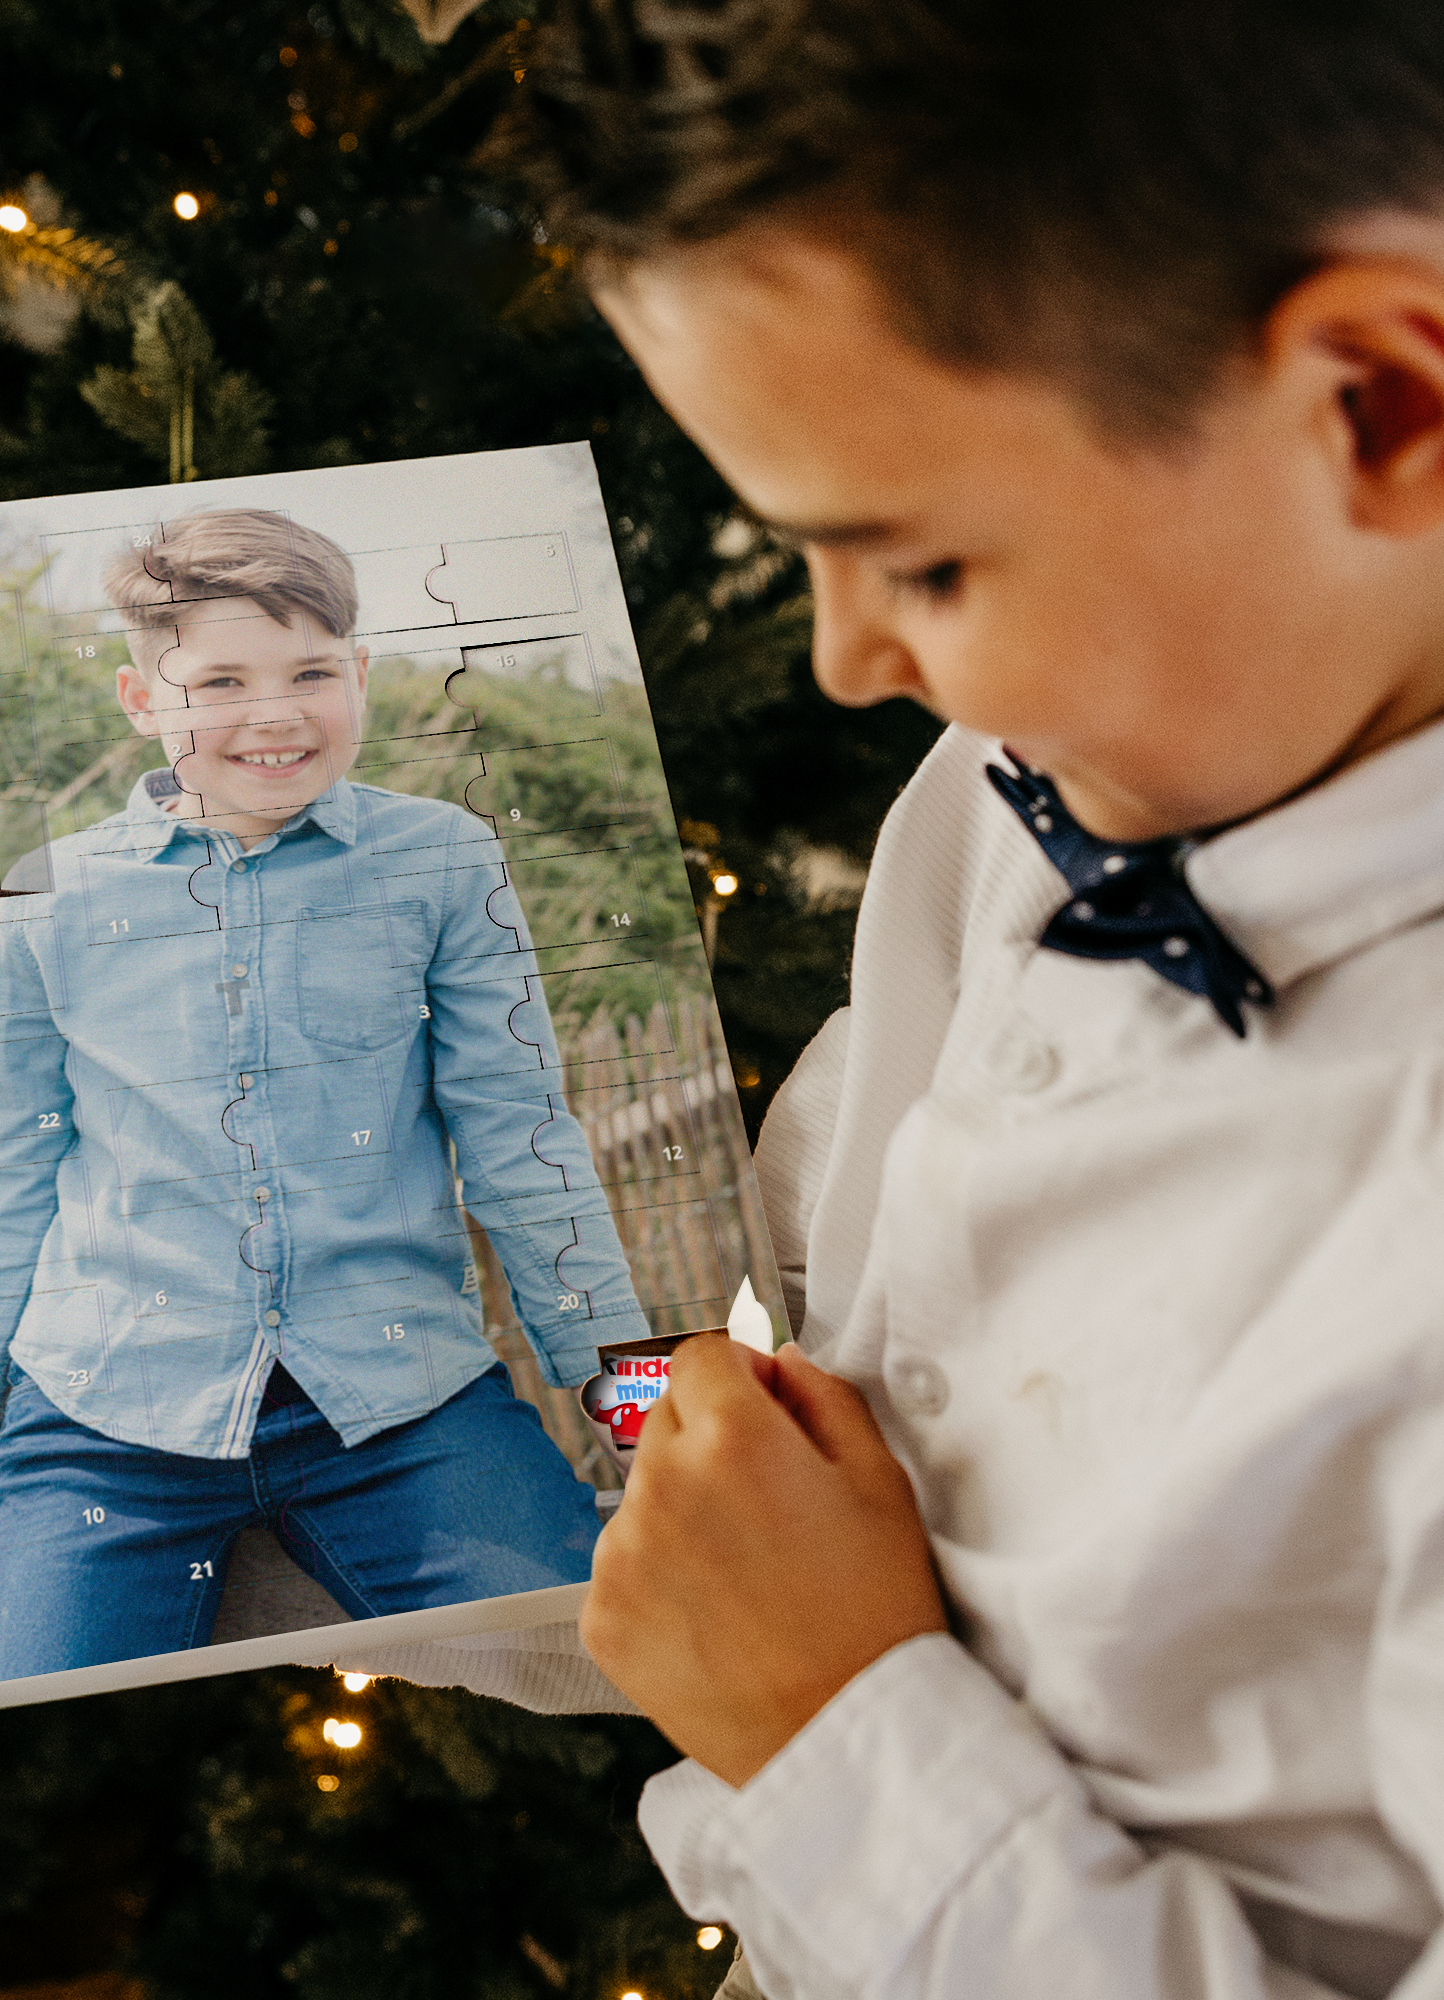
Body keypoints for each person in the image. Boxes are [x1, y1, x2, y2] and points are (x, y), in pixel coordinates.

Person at [480, 4, 1444, 1997]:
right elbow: (757, 1422)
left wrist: (843, 1738)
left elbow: (794, 1651)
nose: (846, 662)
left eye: (914, 560)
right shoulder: (1032, 785)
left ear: (1379, 401)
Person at [0, 508, 646, 1684]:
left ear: (363, 674)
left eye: (311, 672)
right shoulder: (50, 894)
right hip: (100, 1423)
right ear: (141, 698)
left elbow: (523, 1146)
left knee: (615, 1648)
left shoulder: (440, 859)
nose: (275, 711)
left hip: (405, 1404)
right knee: (29, 1692)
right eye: (221, 678)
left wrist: (642, 1416)